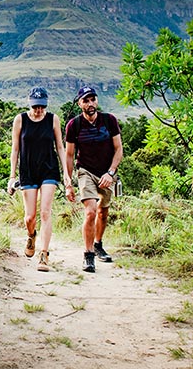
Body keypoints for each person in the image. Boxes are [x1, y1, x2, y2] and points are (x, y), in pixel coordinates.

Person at [7, 86, 74, 272]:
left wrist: (67, 174)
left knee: (45, 212)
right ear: (30, 104)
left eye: (42, 106)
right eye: (36, 106)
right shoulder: (20, 120)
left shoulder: (53, 119)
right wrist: (12, 176)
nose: (39, 110)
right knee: (30, 217)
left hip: (48, 169)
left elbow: (60, 147)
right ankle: (31, 235)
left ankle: (44, 255)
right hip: (28, 170)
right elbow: (15, 149)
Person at [64, 86, 123, 273]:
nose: (90, 104)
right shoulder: (74, 125)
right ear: (80, 103)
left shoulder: (109, 120)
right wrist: (68, 183)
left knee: (103, 212)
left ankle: (98, 245)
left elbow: (118, 149)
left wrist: (111, 172)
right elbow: (69, 155)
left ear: (96, 101)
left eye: (93, 99)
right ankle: (88, 256)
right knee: (90, 211)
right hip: (85, 171)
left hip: (106, 172)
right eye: (86, 100)